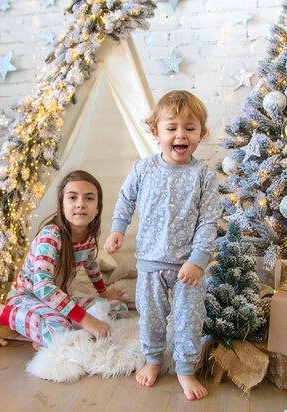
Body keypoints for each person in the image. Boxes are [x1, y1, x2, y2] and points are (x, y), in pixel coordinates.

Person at [104, 90, 222, 401]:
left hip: (188, 267)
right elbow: (126, 200)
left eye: (190, 128)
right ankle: (153, 359)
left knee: (188, 319)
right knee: (151, 316)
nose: (180, 135)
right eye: (171, 128)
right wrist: (118, 230)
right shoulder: (143, 169)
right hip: (151, 263)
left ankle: (185, 368)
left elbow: (209, 221)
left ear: (201, 133)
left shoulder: (204, 176)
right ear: (156, 133)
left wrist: (198, 260)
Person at [0, 170, 128, 350]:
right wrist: (86, 320)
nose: (81, 204)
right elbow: (42, 287)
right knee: (62, 335)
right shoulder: (50, 236)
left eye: (89, 198)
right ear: (62, 205)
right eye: (72, 198)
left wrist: (103, 293)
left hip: (57, 298)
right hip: (28, 296)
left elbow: (90, 264)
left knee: (116, 307)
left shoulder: (91, 235)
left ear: (97, 208)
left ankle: (41, 333)